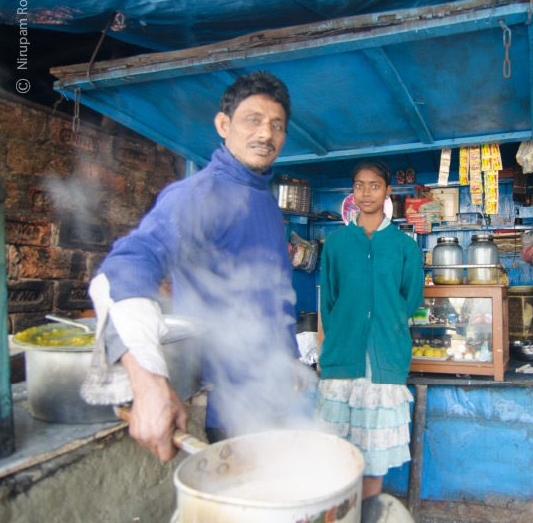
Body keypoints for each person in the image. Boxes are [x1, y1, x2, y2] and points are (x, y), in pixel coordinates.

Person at [84, 71, 303, 460]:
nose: (266, 134)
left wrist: (288, 362)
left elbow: (274, 295)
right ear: (223, 125)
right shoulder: (199, 194)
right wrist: (148, 381)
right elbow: (124, 269)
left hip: (271, 394)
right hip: (223, 405)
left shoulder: (266, 202)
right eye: (253, 119)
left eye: (277, 125)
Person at [316, 159, 424, 503]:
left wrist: (384, 322)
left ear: (387, 191)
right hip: (341, 356)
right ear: (353, 192)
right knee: (335, 454)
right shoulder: (335, 245)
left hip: (385, 358)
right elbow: (328, 301)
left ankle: (365, 513)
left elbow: (410, 299)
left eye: (374, 185)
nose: (367, 193)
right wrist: (326, 346)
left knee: (373, 460)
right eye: (360, 185)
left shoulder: (404, 246)